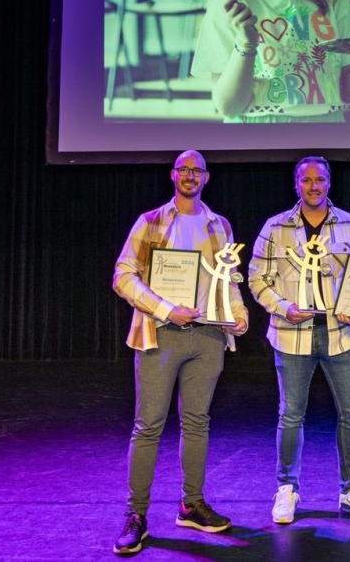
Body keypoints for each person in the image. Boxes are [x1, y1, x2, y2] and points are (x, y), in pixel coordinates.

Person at [111, 150, 249, 555]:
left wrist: (238, 312)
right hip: (161, 332)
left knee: (197, 423)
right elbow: (122, 276)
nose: (190, 176)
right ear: (173, 175)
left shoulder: (219, 225)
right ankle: (136, 515)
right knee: (149, 425)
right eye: (183, 169)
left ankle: (191, 504)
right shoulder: (151, 221)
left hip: (207, 337)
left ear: (206, 178)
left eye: (197, 170)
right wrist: (166, 308)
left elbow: (231, 279)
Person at [247, 155, 350, 525]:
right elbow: (256, 278)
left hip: (340, 336)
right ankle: (287, 488)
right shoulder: (276, 228)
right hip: (291, 336)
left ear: (329, 182)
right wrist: (283, 306)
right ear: (296, 185)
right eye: (306, 180)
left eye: (319, 179)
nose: (313, 186)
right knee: (291, 416)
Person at [191, 0, 350, 122]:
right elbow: (229, 106)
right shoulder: (229, 6)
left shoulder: (336, 2)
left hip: (327, 131)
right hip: (253, 135)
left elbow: (348, 89)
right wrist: (245, 44)